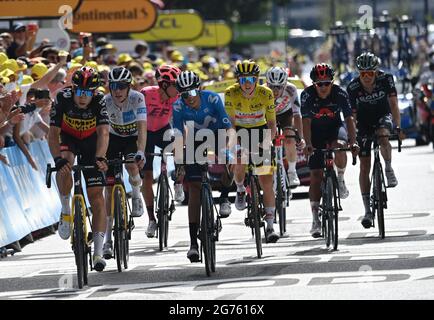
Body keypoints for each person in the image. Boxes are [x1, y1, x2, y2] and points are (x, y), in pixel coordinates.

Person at [48, 66, 110, 272]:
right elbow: (53, 133)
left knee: (97, 197)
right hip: (70, 138)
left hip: (92, 142)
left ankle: (99, 252)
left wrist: (100, 157)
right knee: (66, 162)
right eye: (79, 92)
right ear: (73, 89)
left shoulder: (100, 100)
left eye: (88, 93)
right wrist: (57, 159)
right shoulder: (62, 98)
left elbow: (103, 133)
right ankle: (66, 209)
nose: (83, 98)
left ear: (94, 92)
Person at [173, 70, 234, 262]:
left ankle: (224, 196)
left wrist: (227, 151)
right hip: (194, 141)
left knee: (229, 161)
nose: (188, 98)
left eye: (191, 93)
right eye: (184, 94)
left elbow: (228, 128)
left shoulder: (213, 99)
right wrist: (180, 161)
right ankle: (193, 243)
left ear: (198, 90)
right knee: (195, 188)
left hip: (218, 135)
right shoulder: (178, 105)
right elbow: (178, 134)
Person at [224, 60, 279, 243]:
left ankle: (270, 226)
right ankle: (240, 189)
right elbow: (230, 123)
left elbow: (272, 124)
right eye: (242, 79)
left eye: (250, 79)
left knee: (266, 180)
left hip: (260, 130)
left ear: (256, 79)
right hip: (238, 130)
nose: (246, 83)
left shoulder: (266, 93)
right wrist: (235, 144)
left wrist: (266, 144)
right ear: (238, 81)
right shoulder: (231, 93)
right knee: (239, 158)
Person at [301, 63, 357, 238]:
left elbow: (349, 119)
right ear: (313, 84)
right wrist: (308, 143)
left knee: (340, 146)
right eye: (319, 84)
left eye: (327, 83)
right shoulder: (307, 95)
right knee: (316, 176)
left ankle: (340, 179)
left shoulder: (340, 93)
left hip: (335, 128)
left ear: (332, 83)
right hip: (315, 132)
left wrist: (353, 142)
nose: (323, 87)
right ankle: (315, 219)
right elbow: (306, 122)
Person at [347, 52, 401, 228]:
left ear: (376, 71)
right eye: (363, 73)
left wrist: (398, 127)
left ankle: (388, 167)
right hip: (363, 122)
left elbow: (393, 105)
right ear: (359, 73)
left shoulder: (386, 79)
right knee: (364, 166)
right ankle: (367, 211)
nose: (367, 77)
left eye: (370, 73)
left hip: (382, 116)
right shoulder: (353, 87)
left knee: (383, 135)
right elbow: (352, 117)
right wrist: (353, 138)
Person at [102, 66, 147, 259]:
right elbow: (102, 132)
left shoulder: (137, 98)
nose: (117, 91)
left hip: (132, 138)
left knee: (131, 165)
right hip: (112, 139)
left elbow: (142, 128)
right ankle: (107, 240)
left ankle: (136, 196)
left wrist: (141, 152)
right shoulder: (104, 101)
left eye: (121, 86)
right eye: (114, 86)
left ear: (129, 87)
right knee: (109, 189)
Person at [140, 65, 180, 238]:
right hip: (146, 133)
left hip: (164, 130)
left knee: (179, 144)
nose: (178, 88)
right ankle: (151, 220)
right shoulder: (146, 93)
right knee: (147, 177)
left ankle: (178, 182)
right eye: (174, 84)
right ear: (164, 84)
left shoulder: (177, 97)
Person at [265, 66, 305, 186]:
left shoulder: (291, 89)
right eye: (272, 86)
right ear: (267, 84)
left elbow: (297, 115)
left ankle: (292, 171)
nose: (275, 91)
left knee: (289, 138)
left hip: (286, 115)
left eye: (279, 87)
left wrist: (300, 137)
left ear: (285, 84)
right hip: (269, 116)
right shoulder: (262, 91)